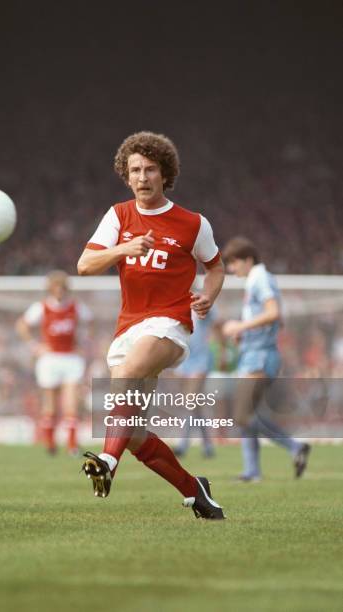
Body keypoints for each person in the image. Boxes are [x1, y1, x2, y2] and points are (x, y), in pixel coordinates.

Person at [77, 131, 225, 520]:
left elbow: (215, 267)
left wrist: (209, 295)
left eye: (150, 169)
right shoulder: (119, 215)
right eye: (135, 170)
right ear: (126, 176)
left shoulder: (193, 224)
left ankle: (107, 462)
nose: (142, 177)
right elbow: (85, 265)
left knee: (126, 376)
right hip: (128, 327)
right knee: (133, 431)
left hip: (170, 325)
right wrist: (124, 248)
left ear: (165, 173)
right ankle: (197, 492)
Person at [222, 236, 311, 481]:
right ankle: (252, 471)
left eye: (234, 263)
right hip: (256, 353)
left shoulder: (259, 278)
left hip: (259, 357)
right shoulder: (256, 279)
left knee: (242, 414)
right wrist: (247, 332)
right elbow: (275, 318)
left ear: (248, 259)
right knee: (248, 414)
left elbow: (273, 313)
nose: (231, 269)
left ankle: (294, 446)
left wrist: (241, 326)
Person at [16, 270, 93, 456]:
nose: (59, 291)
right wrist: (35, 346)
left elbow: (90, 324)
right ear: (50, 289)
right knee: (49, 403)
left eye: (62, 287)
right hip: (49, 359)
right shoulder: (41, 307)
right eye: (56, 287)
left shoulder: (76, 307)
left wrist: (83, 343)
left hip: (71, 358)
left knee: (71, 403)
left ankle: (72, 444)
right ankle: (50, 443)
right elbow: (22, 325)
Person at [173, 307, 217, 458]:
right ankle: (208, 445)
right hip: (184, 360)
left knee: (190, 402)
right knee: (194, 406)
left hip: (201, 360)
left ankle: (182, 444)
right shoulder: (179, 304)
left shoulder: (200, 304)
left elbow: (214, 324)